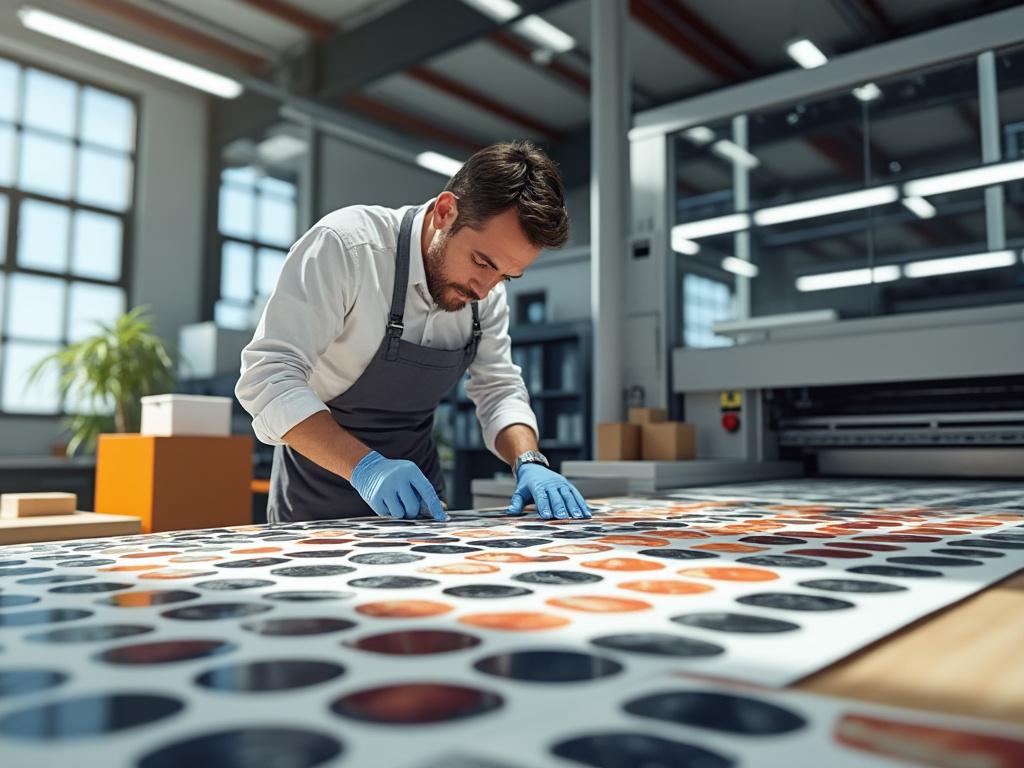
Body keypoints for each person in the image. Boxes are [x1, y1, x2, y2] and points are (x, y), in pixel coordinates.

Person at [236, 140, 591, 524]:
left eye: (506, 276)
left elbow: (498, 388)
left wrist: (529, 460)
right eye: (481, 262)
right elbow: (269, 377)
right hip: (314, 505)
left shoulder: (485, 294)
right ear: (445, 212)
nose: (485, 289)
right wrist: (366, 468)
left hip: (419, 508)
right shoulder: (348, 249)